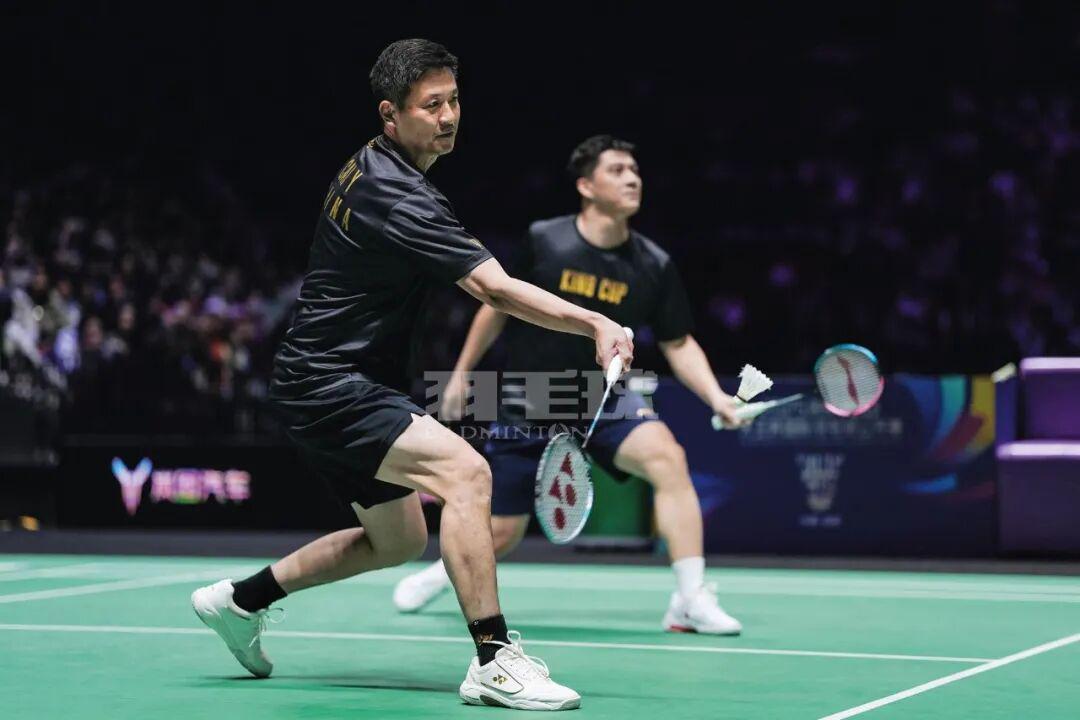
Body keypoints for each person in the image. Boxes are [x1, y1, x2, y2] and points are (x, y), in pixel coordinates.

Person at [190, 40, 633, 712]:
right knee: (467, 473)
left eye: (454, 100)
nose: (449, 116)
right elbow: (494, 290)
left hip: (330, 377)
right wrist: (595, 322)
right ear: (390, 114)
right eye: (431, 105)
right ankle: (494, 661)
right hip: (331, 381)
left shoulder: (374, 164)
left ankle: (239, 602)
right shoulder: (399, 196)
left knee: (398, 540)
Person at [393, 135, 745, 635]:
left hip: (602, 396)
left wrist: (716, 397)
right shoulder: (546, 240)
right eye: (617, 170)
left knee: (668, 459)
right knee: (504, 531)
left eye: (634, 170)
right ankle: (438, 575)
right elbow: (496, 305)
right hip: (530, 397)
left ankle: (689, 600)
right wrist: (464, 371)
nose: (632, 178)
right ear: (586, 186)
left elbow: (678, 342)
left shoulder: (653, 264)